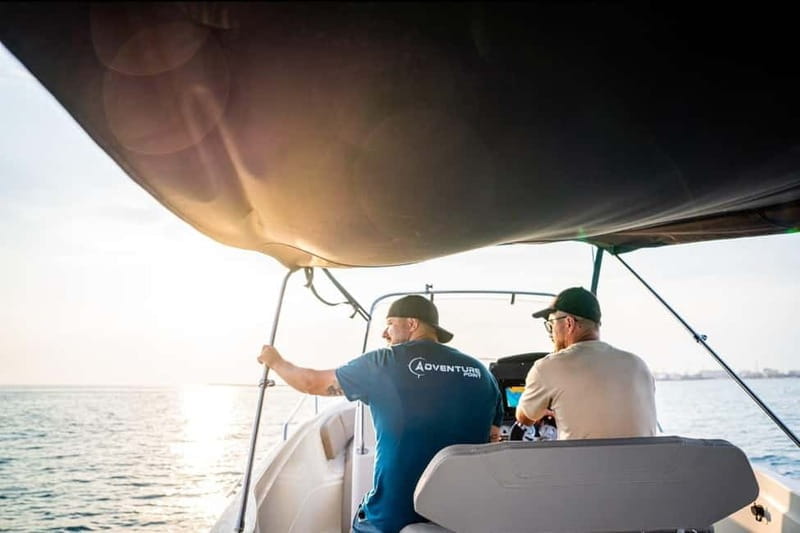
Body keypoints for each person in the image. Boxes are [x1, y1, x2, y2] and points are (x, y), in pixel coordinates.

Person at [258, 295, 503, 533]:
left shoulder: (385, 362)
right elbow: (492, 441)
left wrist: (276, 362)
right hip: (461, 516)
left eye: (390, 324)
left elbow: (312, 383)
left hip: (394, 517)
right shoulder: (482, 373)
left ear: (412, 323)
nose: (385, 333)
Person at [515, 287, 657, 440]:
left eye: (551, 324)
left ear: (569, 323)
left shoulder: (547, 367)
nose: (551, 334)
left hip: (581, 457)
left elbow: (524, 418)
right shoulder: (638, 366)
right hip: (643, 457)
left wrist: (542, 409)